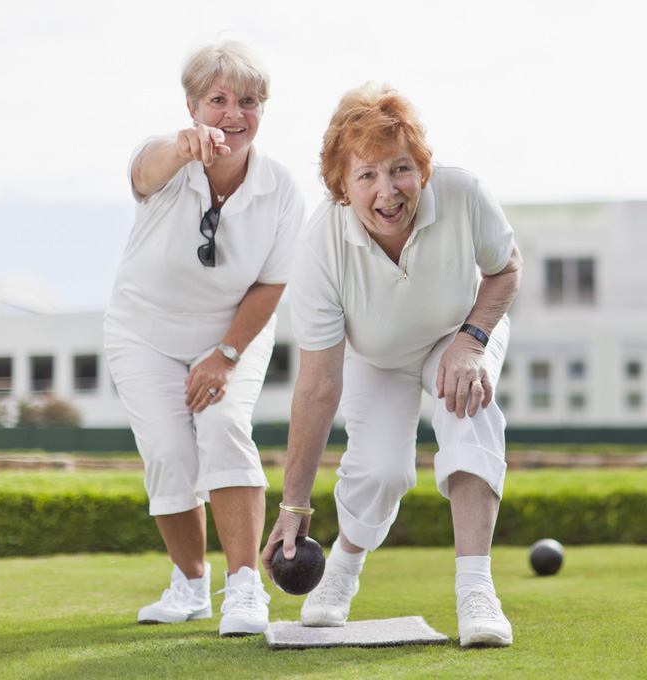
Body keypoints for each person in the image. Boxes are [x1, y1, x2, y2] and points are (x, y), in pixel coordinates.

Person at [260, 82, 523, 648]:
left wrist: (472, 338)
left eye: (400, 169)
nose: (388, 191)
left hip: (459, 335)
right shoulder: (319, 249)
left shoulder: (462, 193)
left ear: (421, 170)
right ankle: (343, 572)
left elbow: (506, 269)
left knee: (466, 408)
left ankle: (476, 590)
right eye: (367, 176)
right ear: (341, 186)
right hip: (376, 357)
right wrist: (293, 503)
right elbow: (317, 384)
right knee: (380, 470)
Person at [103, 40, 305, 637]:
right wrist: (179, 148)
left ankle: (244, 590)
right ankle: (190, 585)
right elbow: (146, 171)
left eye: (247, 101)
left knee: (221, 427)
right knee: (168, 452)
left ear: (262, 110)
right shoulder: (162, 158)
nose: (232, 114)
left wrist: (224, 354)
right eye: (217, 100)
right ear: (192, 105)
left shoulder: (281, 189)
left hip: (232, 334)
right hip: (143, 333)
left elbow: (273, 283)